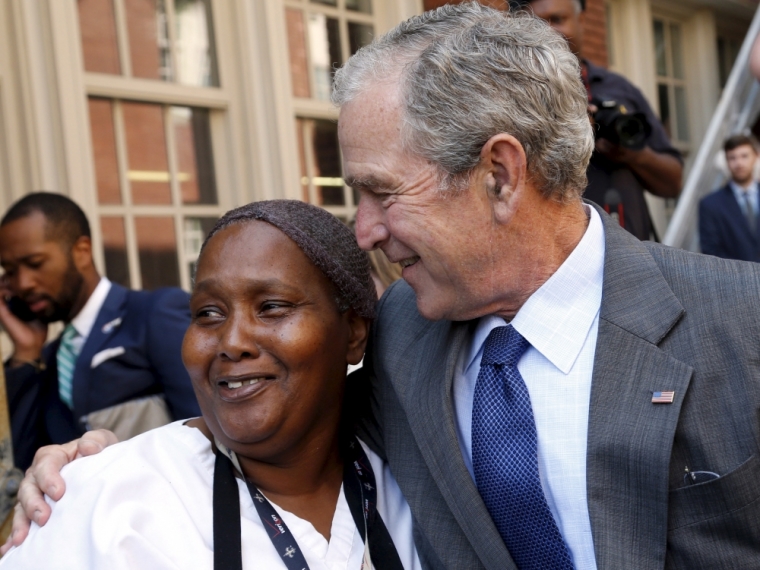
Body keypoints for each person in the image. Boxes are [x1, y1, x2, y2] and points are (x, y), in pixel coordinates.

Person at [10, 5, 760, 569]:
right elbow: (288, 410)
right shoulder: (403, 332)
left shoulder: (741, 323)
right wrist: (100, 465)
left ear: (499, 174)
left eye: (381, 193)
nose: (363, 230)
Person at [0, 200, 420, 569]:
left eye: (271, 307)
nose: (232, 342)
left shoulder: (413, 475)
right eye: (208, 313)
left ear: (353, 332)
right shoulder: (106, 505)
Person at [0, 192, 200, 470]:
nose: (23, 283)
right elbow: (20, 466)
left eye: (35, 264)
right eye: (9, 271)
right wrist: (25, 353)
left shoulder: (151, 314)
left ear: (81, 251)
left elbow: (207, 428)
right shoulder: (46, 360)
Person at [524, 0, 683, 240]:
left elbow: (672, 183)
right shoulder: (515, 95)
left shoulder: (620, 89)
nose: (548, 32)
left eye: (557, 20)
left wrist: (633, 154)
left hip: (630, 250)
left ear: (582, 21)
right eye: (536, 24)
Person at [699, 134, 760, 261]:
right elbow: (711, 252)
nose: (739, 163)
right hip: (736, 279)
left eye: (744, 156)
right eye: (732, 158)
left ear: (756, 156)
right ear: (726, 161)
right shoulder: (710, 205)